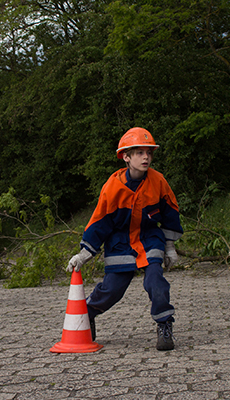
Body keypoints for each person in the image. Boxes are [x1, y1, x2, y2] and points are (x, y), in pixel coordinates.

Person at [67, 127, 183, 351]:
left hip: (150, 238)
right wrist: (84, 254)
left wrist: (169, 247)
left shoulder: (158, 182)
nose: (146, 157)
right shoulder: (112, 187)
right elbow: (99, 221)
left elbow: (170, 213)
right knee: (112, 290)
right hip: (120, 241)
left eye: (149, 152)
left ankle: (165, 325)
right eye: (139, 153)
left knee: (155, 281)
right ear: (126, 157)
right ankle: (86, 316)